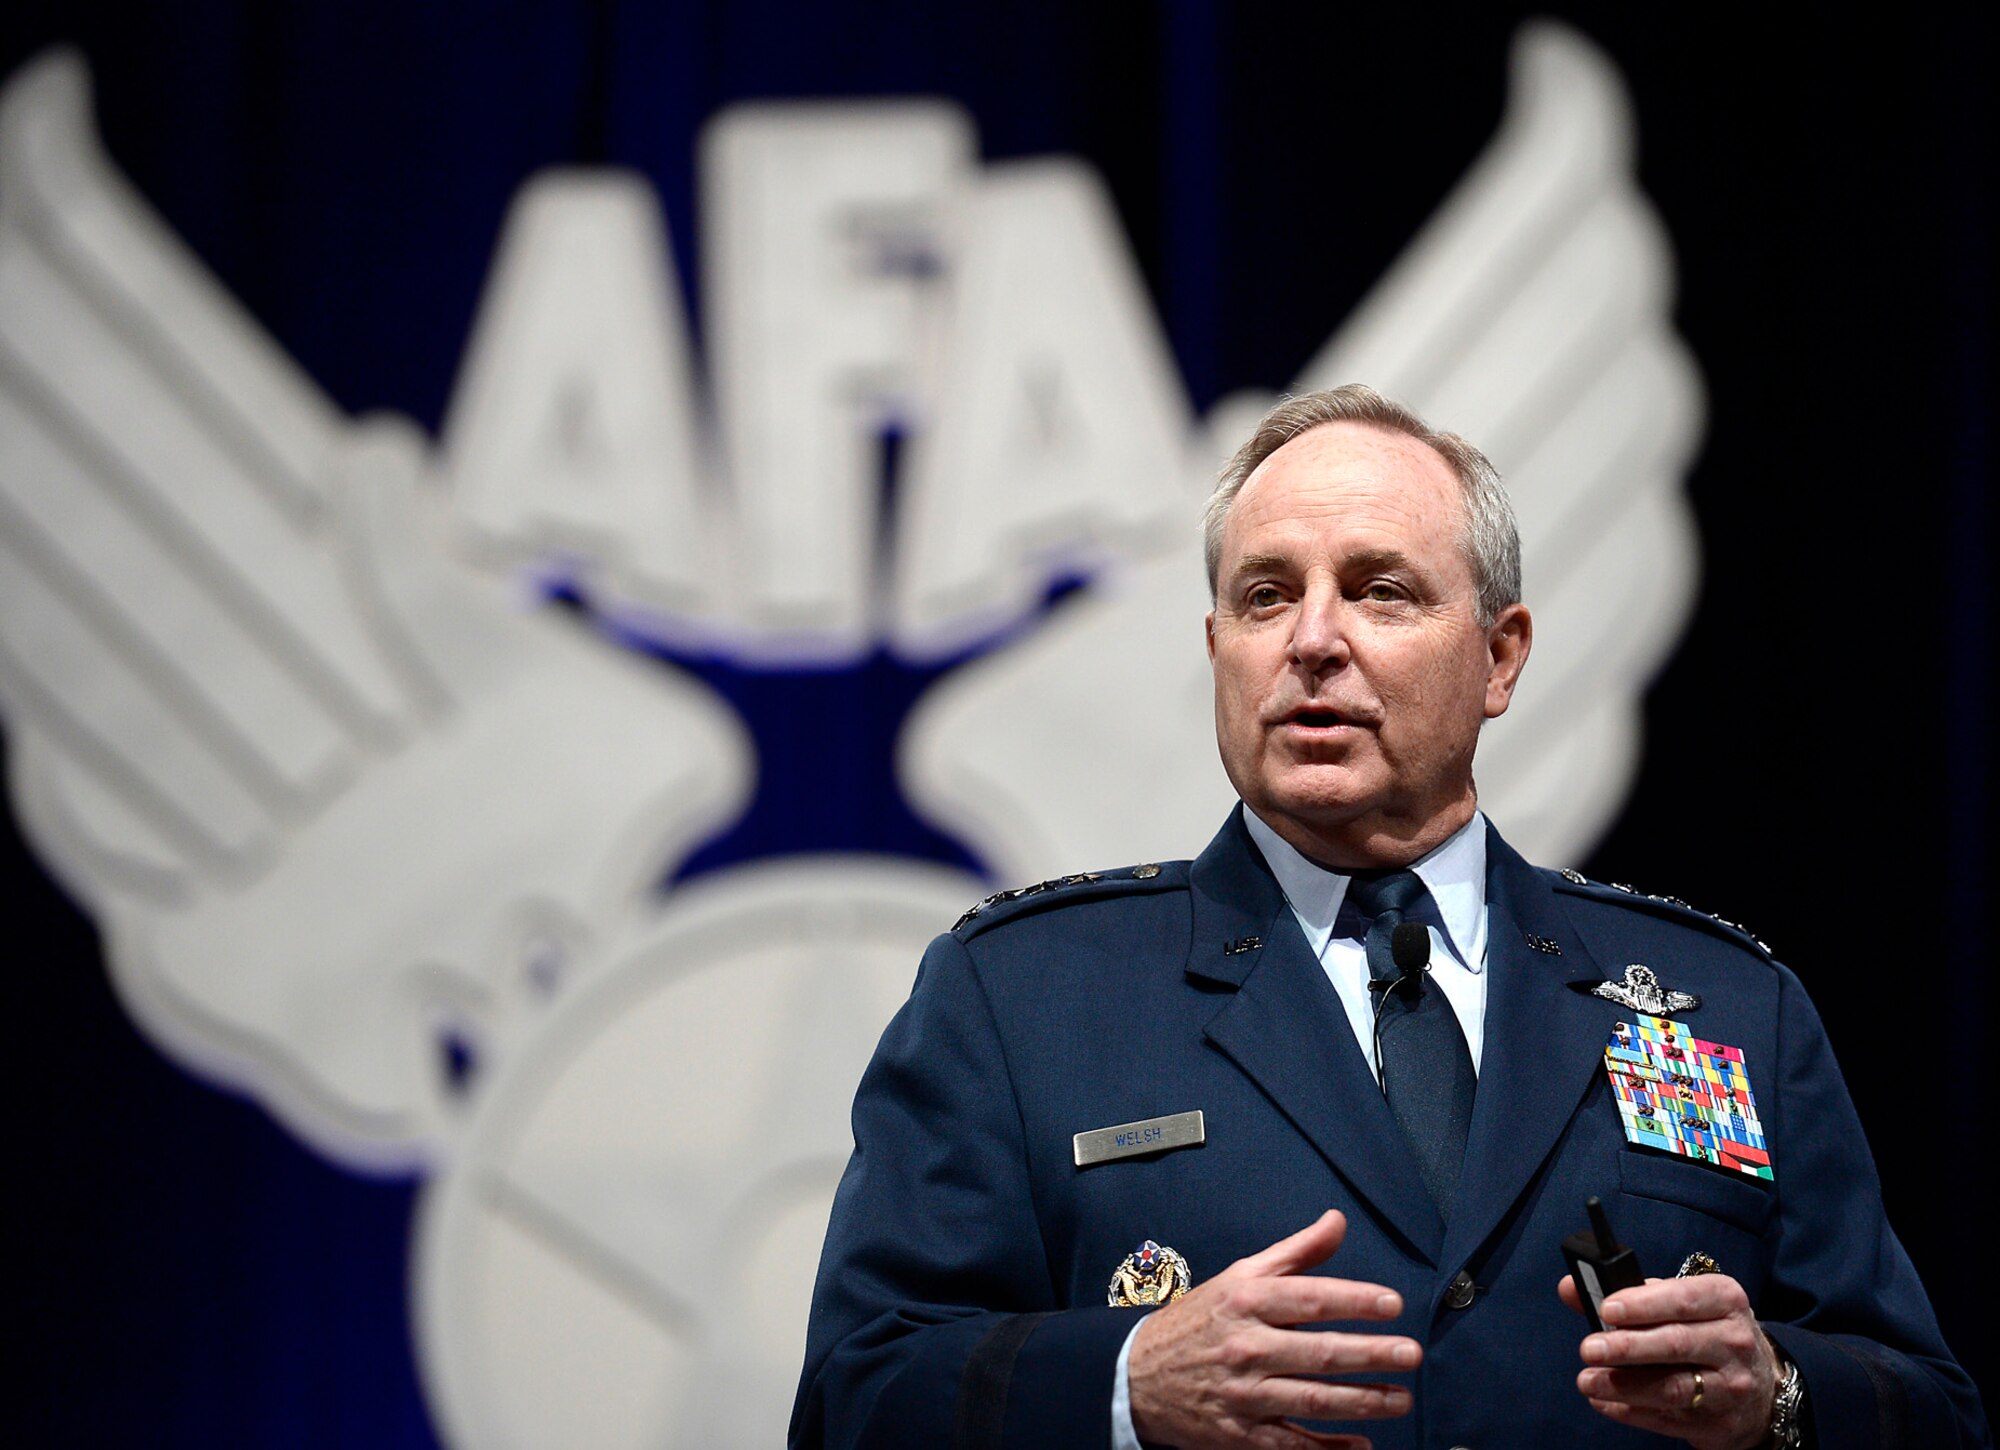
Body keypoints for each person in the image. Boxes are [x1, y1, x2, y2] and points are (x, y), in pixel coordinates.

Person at [790, 385, 1987, 1449]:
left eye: (1378, 589)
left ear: (1498, 658)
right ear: (1218, 650)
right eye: (1264, 596)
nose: (1312, 639)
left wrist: (1772, 1395)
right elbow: (855, 1395)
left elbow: (1928, 1407)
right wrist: (1121, 1387)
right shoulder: (1020, 997)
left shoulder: (1728, 1004)